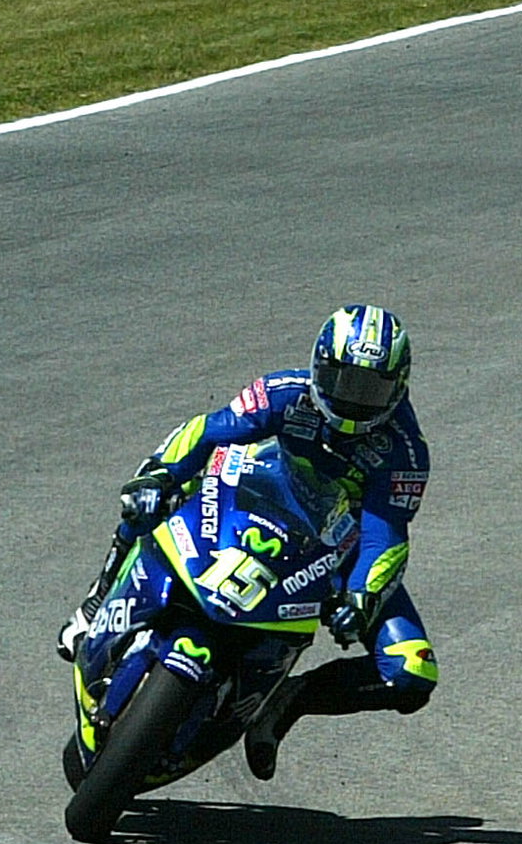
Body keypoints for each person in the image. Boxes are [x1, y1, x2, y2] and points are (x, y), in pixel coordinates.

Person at [57, 304, 438, 780]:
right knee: (147, 501)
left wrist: (362, 595)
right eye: (343, 382)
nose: (353, 400)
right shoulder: (285, 391)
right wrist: (160, 474)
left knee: (412, 674)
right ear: (321, 366)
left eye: (370, 390)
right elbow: (208, 432)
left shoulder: (404, 449)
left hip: (339, 548)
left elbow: (385, 535)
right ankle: (97, 600)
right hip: (254, 502)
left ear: (398, 386)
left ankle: (288, 699)